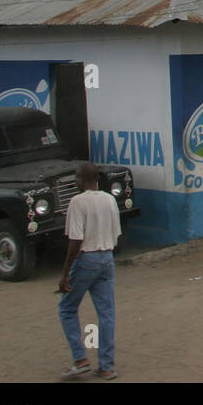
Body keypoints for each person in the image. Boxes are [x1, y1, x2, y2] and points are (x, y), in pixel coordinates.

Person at [57, 162, 120, 381]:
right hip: (107, 258)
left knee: (67, 307)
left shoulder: (77, 202)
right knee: (106, 314)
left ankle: (80, 360)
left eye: (76, 177)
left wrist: (65, 273)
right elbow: (116, 234)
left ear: (83, 179)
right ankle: (107, 367)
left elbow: (75, 240)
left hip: (87, 258)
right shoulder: (110, 199)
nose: (75, 181)